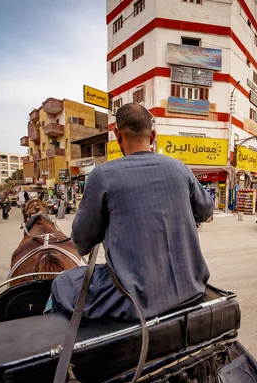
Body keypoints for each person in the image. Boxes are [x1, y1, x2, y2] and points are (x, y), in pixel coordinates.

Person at [50, 103, 214, 320]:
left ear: (118, 136)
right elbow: (206, 210)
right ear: (153, 135)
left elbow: (81, 242)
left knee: (61, 283)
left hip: (132, 297)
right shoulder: (179, 168)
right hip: (192, 285)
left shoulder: (102, 175)